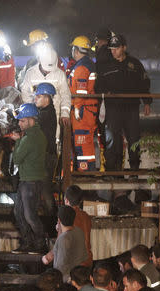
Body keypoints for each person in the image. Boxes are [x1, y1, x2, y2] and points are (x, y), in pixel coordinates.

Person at [96, 34, 151, 174]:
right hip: (113, 109)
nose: (113, 51)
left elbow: (144, 83)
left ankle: (134, 171)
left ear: (124, 48)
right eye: (111, 48)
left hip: (131, 109)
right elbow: (98, 85)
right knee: (113, 141)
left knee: (134, 139)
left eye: (116, 48)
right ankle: (114, 172)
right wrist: (104, 93)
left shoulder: (135, 64)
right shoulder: (106, 66)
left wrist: (147, 102)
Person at [10, 103, 47, 254]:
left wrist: (17, 140)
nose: (19, 123)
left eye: (22, 120)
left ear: (32, 120)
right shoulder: (39, 135)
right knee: (20, 212)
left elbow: (17, 159)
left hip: (29, 182)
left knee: (28, 215)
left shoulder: (28, 139)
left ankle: (39, 243)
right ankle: (29, 243)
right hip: (31, 181)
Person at [20, 45, 72, 143]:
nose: (48, 70)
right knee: (34, 143)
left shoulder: (59, 74)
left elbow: (65, 95)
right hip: (34, 117)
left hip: (54, 116)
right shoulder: (30, 73)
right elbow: (25, 93)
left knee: (53, 142)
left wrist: (65, 113)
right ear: (40, 60)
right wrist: (32, 110)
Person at [68, 36, 99, 172]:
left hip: (83, 110)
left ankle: (85, 172)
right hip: (87, 109)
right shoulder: (88, 64)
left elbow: (80, 91)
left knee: (82, 142)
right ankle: (86, 170)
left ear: (76, 50)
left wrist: (77, 107)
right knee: (85, 142)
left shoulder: (81, 67)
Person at [43, 186, 92, 268]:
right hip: (87, 261)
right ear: (80, 201)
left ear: (66, 200)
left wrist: (47, 258)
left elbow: (59, 246)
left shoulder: (65, 216)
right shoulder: (86, 216)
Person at [34, 83, 58, 216]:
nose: (35, 98)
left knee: (45, 190)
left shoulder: (46, 114)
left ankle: (52, 221)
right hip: (46, 156)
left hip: (46, 157)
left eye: (39, 96)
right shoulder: (46, 112)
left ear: (47, 98)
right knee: (42, 189)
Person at [51, 206, 87, 282]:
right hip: (77, 275)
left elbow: (60, 266)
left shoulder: (63, 239)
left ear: (59, 220)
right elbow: (84, 256)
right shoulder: (79, 231)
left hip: (65, 279)